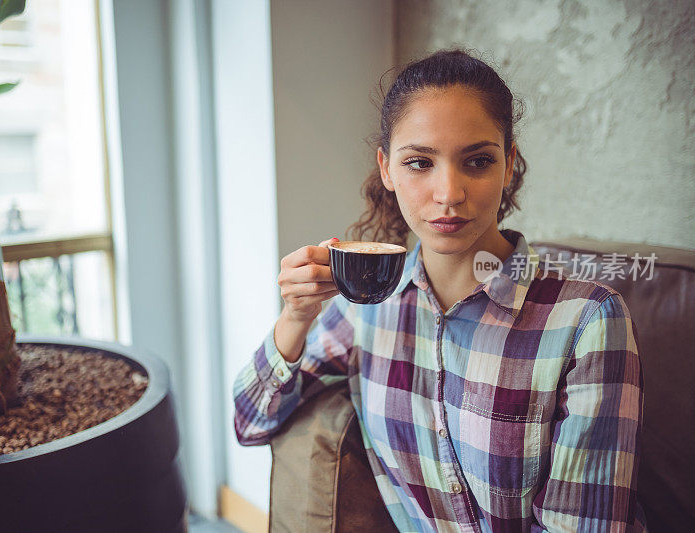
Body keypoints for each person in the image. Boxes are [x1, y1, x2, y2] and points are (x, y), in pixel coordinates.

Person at [233, 49, 646, 532]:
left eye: (477, 161)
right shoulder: (367, 312)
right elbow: (250, 423)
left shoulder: (588, 321)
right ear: (387, 169)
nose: (448, 193)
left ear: (508, 164)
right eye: (419, 163)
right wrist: (295, 317)